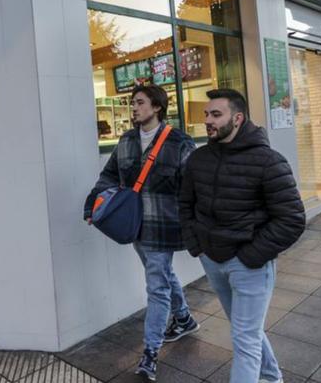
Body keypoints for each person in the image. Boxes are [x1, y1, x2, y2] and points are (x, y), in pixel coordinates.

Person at [179, 89, 305, 383]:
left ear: (237, 118)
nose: (207, 121)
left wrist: (251, 256)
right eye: (206, 115)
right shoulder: (199, 159)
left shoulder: (268, 161)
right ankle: (272, 376)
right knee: (244, 327)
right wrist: (197, 245)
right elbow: (185, 204)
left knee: (244, 338)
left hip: (249, 265)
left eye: (216, 114)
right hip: (212, 259)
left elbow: (292, 219)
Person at [84, 84, 200, 382]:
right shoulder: (126, 141)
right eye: (132, 103)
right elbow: (109, 175)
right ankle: (184, 318)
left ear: (156, 107)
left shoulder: (180, 142)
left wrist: (197, 223)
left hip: (162, 227)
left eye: (139, 103)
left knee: (157, 287)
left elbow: (194, 188)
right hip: (134, 225)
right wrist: (92, 205)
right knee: (161, 273)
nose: (133, 108)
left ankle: (150, 353)